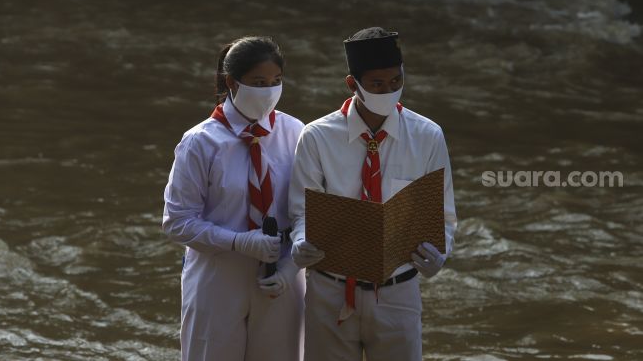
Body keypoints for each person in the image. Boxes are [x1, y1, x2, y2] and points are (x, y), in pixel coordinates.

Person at [288, 27, 457, 361]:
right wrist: (301, 241)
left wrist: (439, 254)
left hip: (398, 292)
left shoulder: (427, 136)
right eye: (377, 85)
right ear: (353, 85)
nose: (388, 91)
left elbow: (443, 215)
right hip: (330, 289)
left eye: (396, 82)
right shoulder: (317, 137)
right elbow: (301, 211)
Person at [162, 36, 305, 361]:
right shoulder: (200, 142)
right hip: (218, 274)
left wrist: (290, 266)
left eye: (276, 81)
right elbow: (177, 223)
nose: (269, 91)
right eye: (259, 82)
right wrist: (239, 242)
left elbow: (311, 208)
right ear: (232, 82)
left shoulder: (295, 132)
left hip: (280, 275)